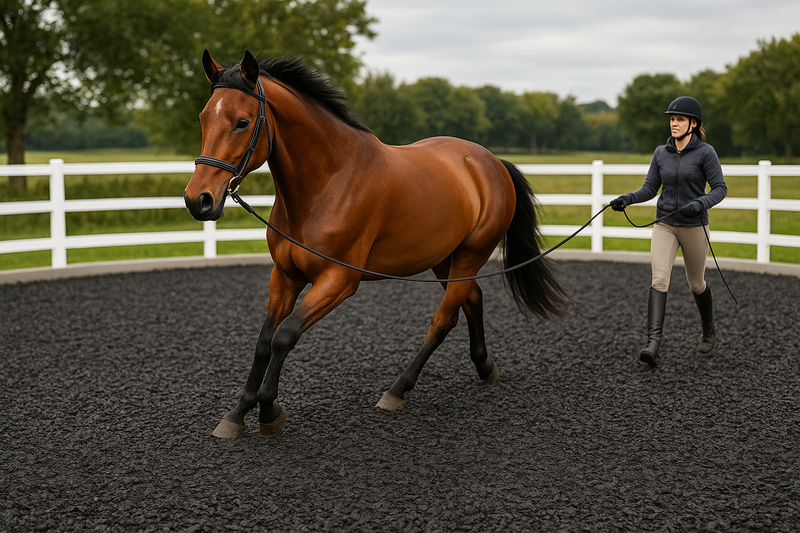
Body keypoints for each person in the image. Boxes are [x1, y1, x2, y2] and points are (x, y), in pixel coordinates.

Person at [610, 96, 727, 365]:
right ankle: (653, 342)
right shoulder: (660, 153)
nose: (673, 123)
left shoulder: (705, 153)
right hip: (665, 224)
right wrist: (627, 198)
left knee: (696, 283)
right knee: (659, 279)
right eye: (672, 119)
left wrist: (700, 203)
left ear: (693, 124)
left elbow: (720, 188)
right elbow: (650, 189)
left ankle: (708, 330)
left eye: (679, 119)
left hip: (694, 225)